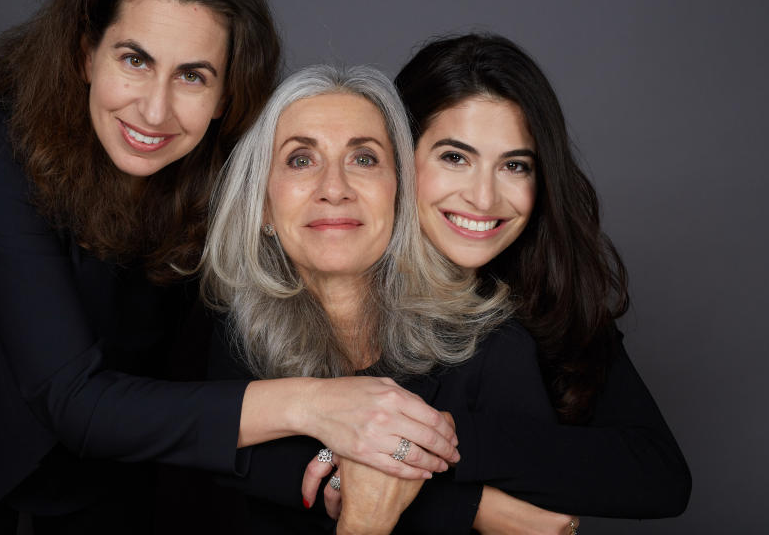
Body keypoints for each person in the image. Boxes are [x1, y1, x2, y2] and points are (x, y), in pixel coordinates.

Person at [0, 0, 458, 535]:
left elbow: (234, 368)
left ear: (224, 94)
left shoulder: (230, 176)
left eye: (192, 75)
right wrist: (317, 406)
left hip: (107, 478)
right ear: (86, 54)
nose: (154, 110)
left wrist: (374, 459)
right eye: (135, 60)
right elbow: (71, 398)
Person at [304, 33, 692, 532]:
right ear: (400, 156)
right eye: (454, 157)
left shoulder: (537, 306)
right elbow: (274, 468)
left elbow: (658, 476)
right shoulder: (333, 277)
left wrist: (441, 439)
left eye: (514, 165)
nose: (483, 198)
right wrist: (475, 506)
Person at [201, 64, 582, 533]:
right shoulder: (216, 343)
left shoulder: (494, 347)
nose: (334, 189)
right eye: (301, 159)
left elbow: (550, 525)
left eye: (364, 159)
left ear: (401, 192)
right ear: (262, 204)